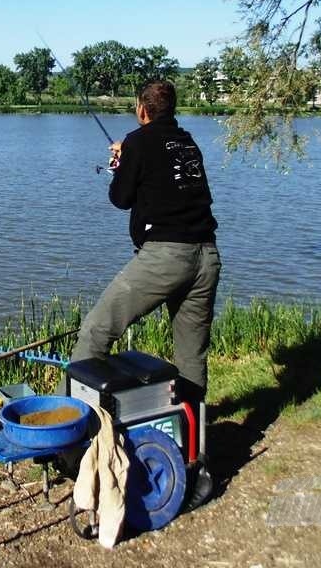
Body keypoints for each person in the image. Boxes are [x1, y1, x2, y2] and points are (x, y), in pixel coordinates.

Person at [69, 80, 220, 405]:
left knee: (95, 330)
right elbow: (165, 177)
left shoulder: (138, 142)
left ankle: (74, 430)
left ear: (141, 108)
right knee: (191, 353)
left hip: (166, 257)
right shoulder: (187, 141)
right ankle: (193, 437)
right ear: (171, 108)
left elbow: (121, 198)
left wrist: (122, 163)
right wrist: (131, 157)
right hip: (207, 255)